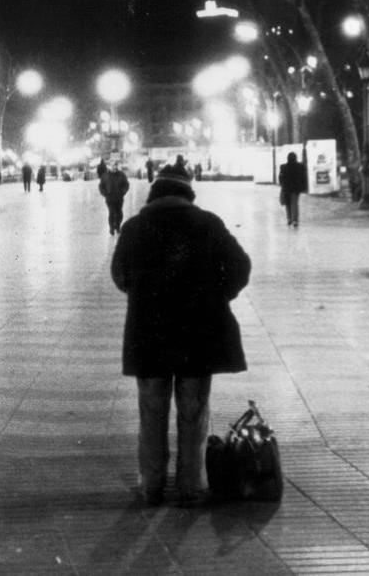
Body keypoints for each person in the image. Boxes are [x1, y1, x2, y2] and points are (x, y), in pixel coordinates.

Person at [111, 163, 251, 507]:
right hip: (197, 334)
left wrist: (142, 294)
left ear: (154, 192)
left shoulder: (134, 227)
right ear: (188, 192)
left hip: (150, 336)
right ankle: (191, 486)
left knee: (152, 411)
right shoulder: (208, 224)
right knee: (193, 411)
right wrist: (220, 294)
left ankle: (152, 486)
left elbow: (119, 275)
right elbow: (240, 267)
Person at [100, 163, 130, 235]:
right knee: (111, 212)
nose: (113, 167)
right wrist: (105, 194)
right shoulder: (105, 175)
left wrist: (123, 192)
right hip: (109, 198)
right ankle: (111, 228)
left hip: (119, 198)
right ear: (109, 166)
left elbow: (126, 184)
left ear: (117, 166)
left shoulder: (121, 174)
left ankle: (118, 226)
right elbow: (101, 186)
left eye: (115, 165)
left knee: (119, 213)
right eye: (112, 166)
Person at [278, 152, 306, 227]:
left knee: (287, 204)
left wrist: (282, 185)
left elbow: (280, 178)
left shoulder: (283, 167)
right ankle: (295, 220)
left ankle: (289, 218)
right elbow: (303, 177)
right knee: (294, 203)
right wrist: (303, 187)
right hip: (296, 189)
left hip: (286, 188)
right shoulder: (300, 166)